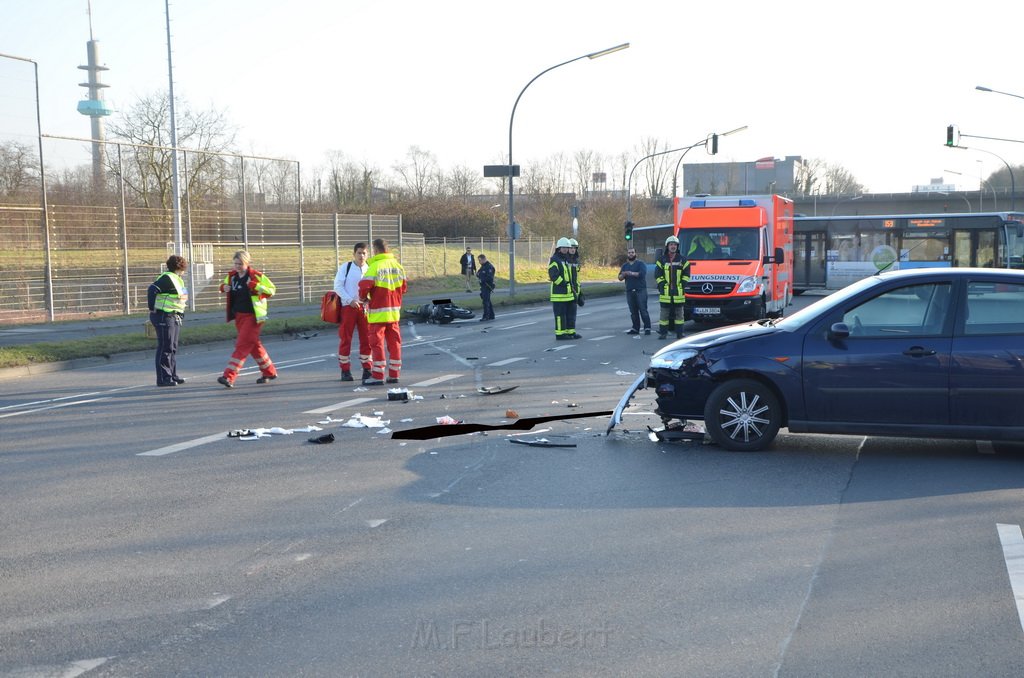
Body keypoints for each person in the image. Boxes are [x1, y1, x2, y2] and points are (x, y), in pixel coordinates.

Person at [217, 250, 278, 388]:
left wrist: (254, 286)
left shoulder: (256, 276)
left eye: (240, 264)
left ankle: (228, 376)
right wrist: (223, 287)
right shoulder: (232, 276)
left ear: (247, 263)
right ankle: (269, 372)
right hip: (239, 315)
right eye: (235, 264)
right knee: (254, 346)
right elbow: (223, 285)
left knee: (242, 345)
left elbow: (271, 290)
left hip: (254, 317)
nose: (237, 266)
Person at [358, 238, 408, 385]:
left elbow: (364, 286)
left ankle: (378, 375)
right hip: (394, 313)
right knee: (395, 344)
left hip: (378, 312)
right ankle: (394, 374)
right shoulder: (398, 266)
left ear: (375, 250)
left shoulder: (375, 266)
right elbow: (403, 288)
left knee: (377, 344)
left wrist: (364, 299)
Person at [147, 254, 189, 386]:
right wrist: (152, 307)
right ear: (180, 267)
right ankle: (163, 378)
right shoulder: (167, 278)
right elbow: (152, 289)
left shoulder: (177, 279)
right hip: (163, 315)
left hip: (173, 315)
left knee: (172, 347)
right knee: (166, 346)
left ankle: (172, 375)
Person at [333, 242, 372, 382]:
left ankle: (367, 369)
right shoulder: (346, 267)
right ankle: (345, 370)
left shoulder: (370, 268)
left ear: (368, 255)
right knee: (346, 339)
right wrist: (349, 300)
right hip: (348, 307)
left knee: (367, 339)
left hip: (364, 308)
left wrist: (368, 300)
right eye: (359, 253)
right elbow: (338, 286)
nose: (361, 256)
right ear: (354, 254)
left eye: (364, 253)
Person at [655, 235, 690, 340]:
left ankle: (680, 333)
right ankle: (663, 333)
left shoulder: (683, 260)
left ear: (677, 246)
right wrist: (662, 286)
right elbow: (657, 275)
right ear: (667, 246)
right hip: (665, 293)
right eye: (671, 244)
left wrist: (682, 285)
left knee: (679, 315)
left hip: (678, 292)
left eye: (675, 244)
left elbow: (687, 274)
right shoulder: (661, 260)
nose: (673, 246)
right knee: (664, 315)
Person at [548, 237, 580, 340]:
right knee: (560, 316)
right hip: (558, 294)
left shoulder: (565, 260)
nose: (566, 249)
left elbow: (571, 277)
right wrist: (563, 284)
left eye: (567, 247)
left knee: (570, 314)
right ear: (559, 248)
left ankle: (570, 332)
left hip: (568, 294)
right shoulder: (555, 260)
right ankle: (560, 334)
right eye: (564, 247)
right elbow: (553, 276)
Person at [618, 247, 651, 335]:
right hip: (629, 291)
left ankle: (647, 327)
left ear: (636, 254)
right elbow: (620, 278)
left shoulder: (641, 264)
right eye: (629, 253)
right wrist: (623, 275)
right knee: (633, 311)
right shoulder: (625, 266)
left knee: (643, 310)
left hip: (640, 290)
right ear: (627, 254)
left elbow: (642, 274)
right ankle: (635, 328)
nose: (631, 254)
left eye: (632, 252)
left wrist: (630, 273)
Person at [476, 253, 496, 321]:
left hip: (488, 286)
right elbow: (478, 273)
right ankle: (491, 315)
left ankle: (486, 316)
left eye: (480, 260)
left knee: (485, 301)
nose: (479, 262)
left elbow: (489, 277)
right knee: (487, 300)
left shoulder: (489, 267)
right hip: (483, 286)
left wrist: (482, 279)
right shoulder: (483, 266)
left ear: (484, 259)